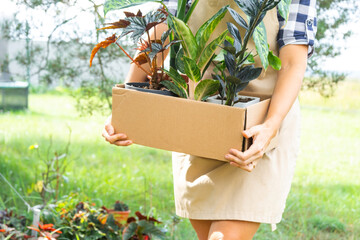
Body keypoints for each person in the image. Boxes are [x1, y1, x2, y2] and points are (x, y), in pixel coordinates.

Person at [102, 0, 317, 239]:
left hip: (259, 126)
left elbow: (291, 63)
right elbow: (158, 36)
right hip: (199, 120)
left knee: (223, 236)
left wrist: (270, 126)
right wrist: (126, 106)